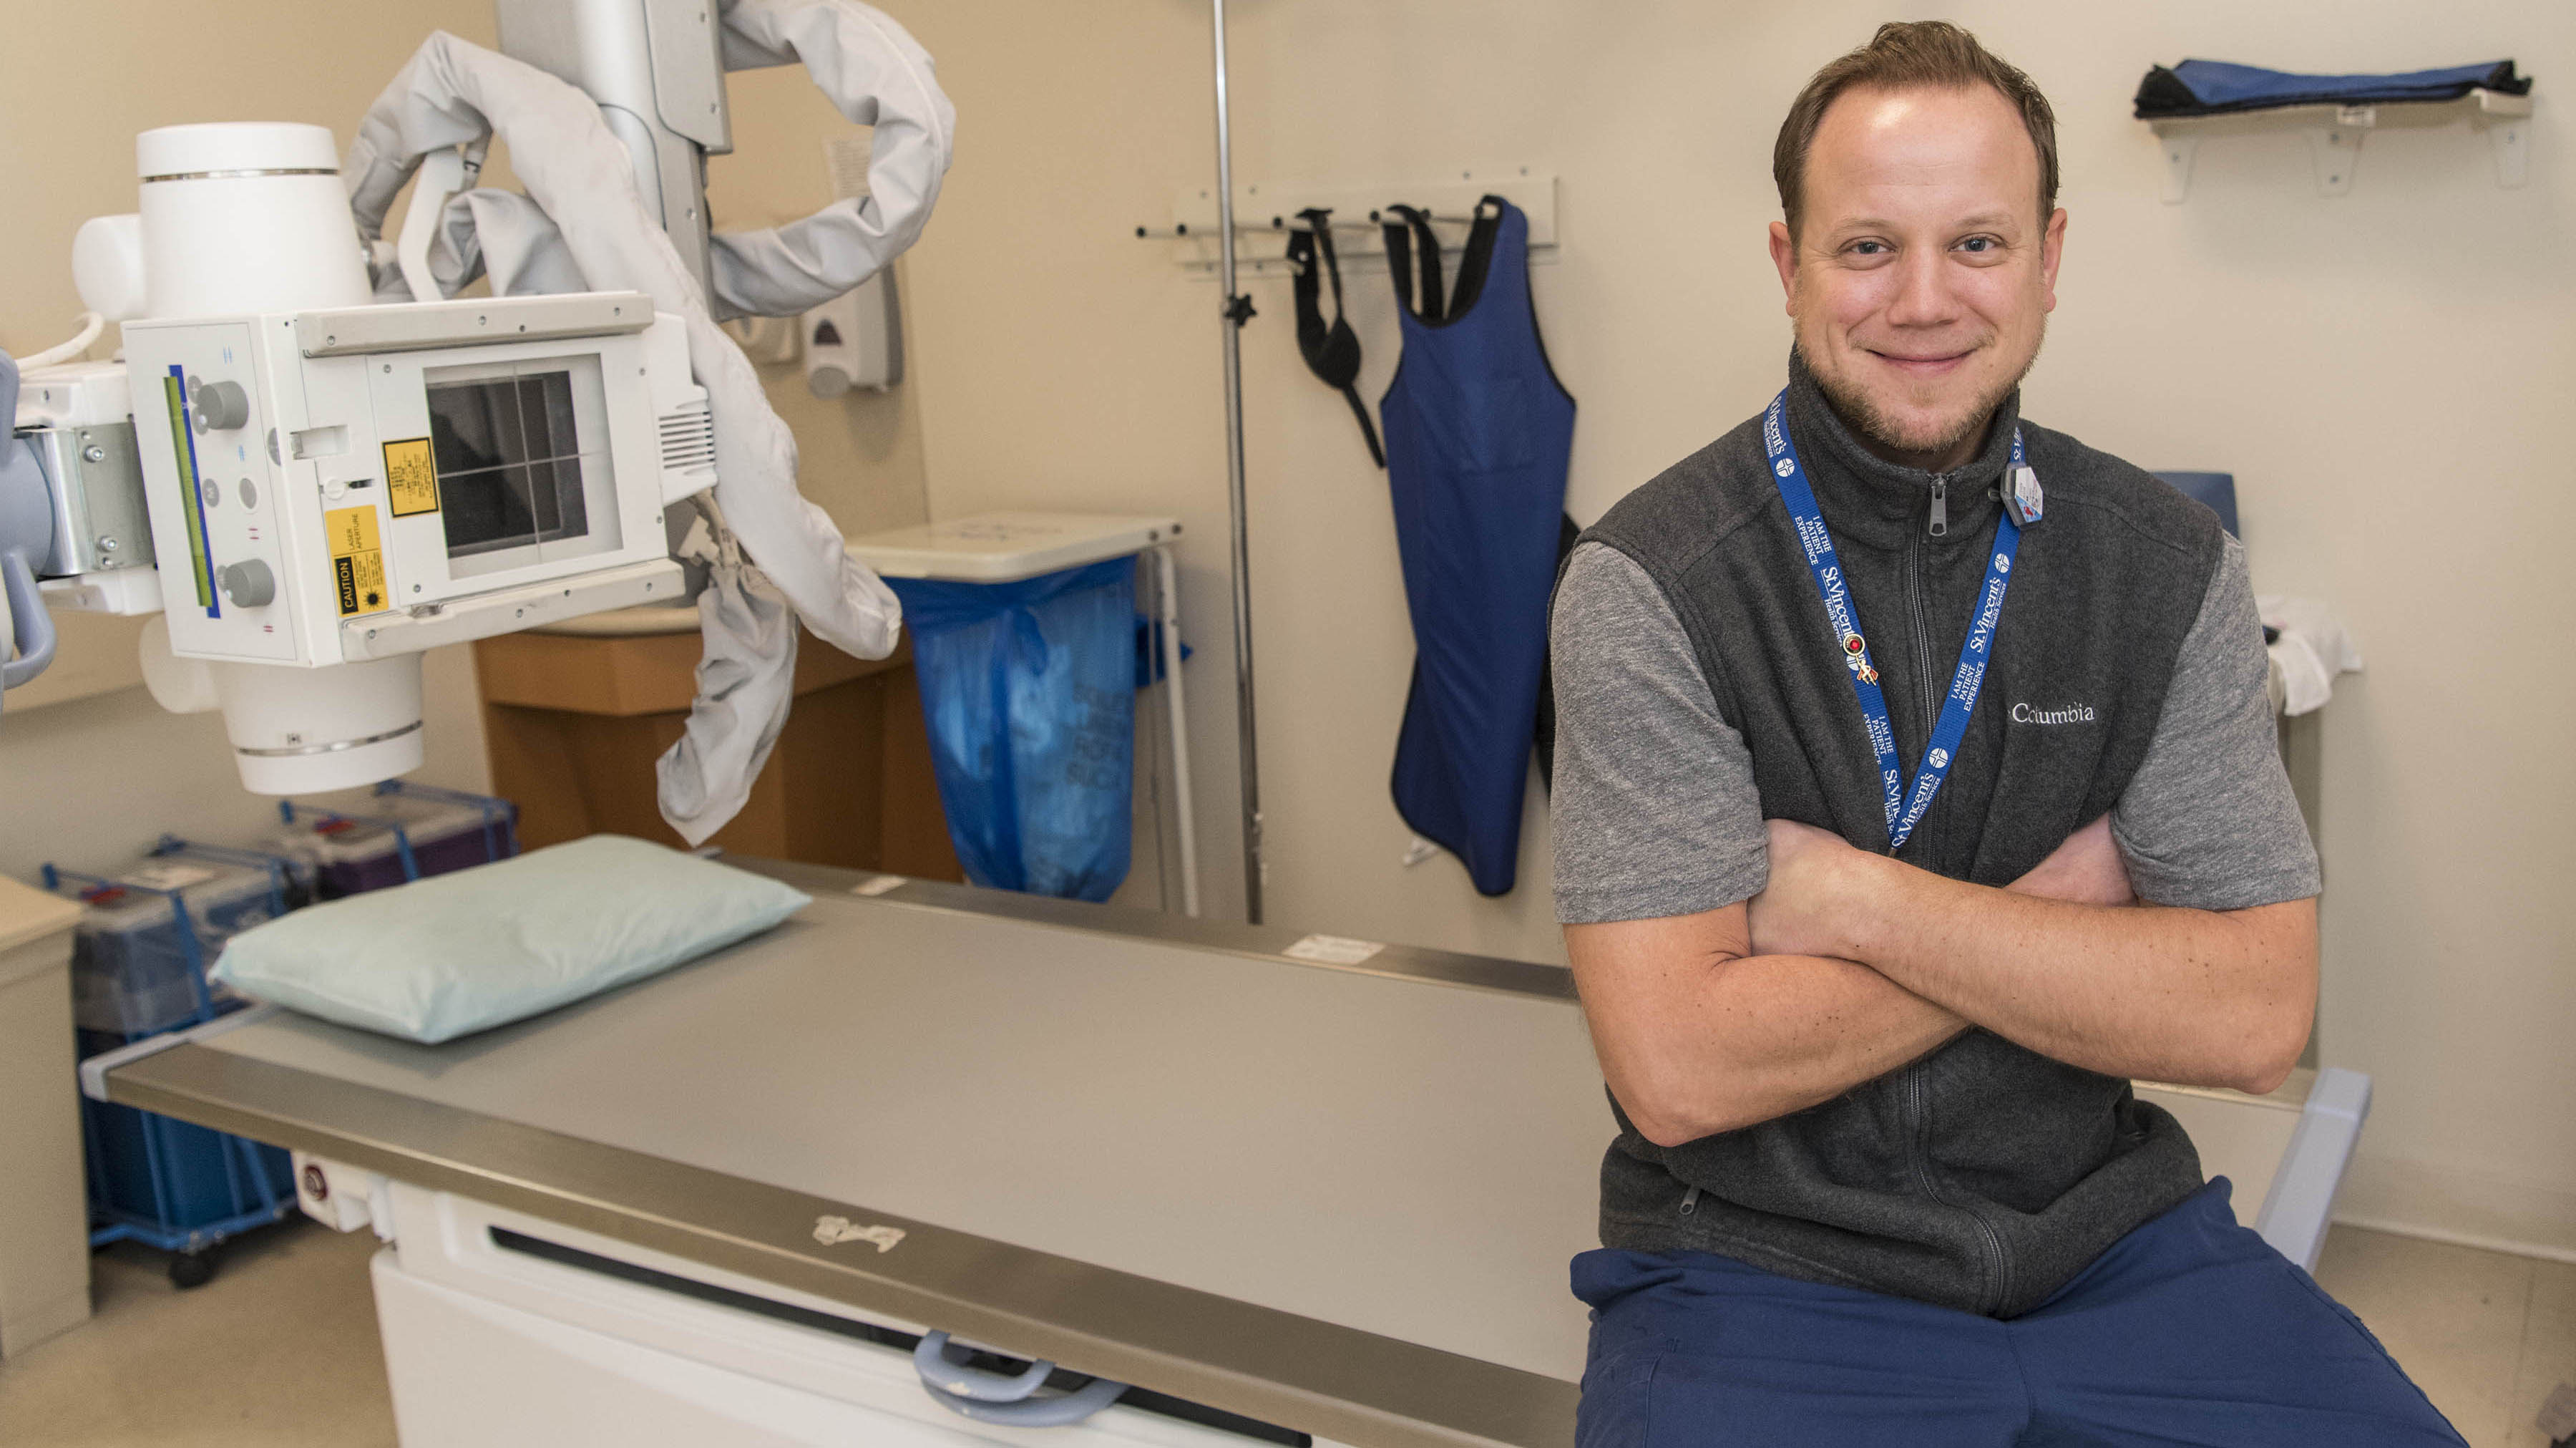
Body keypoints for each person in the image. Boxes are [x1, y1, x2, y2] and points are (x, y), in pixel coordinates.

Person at [1548, 21, 2462, 1446]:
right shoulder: (1651, 584)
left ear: (2049, 259)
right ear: (1788, 265)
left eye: (1977, 244)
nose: (1924, 300)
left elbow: (2252, 1015)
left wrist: (1858, 903)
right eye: (1867, 249)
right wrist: (2064, 919)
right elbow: (1681, 1068)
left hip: (2118, 1249)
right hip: (1757, 1267)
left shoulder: (2165, 568)